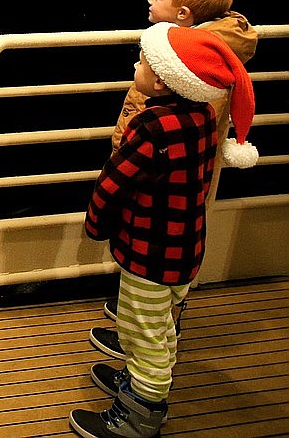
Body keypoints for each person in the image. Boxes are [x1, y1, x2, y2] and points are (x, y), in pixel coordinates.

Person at [69, 23, 258, 438]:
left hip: (148, 251)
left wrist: (96, 223)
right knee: (161, 325)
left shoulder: (153, 126)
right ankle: (137, 386)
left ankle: (141, 413)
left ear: (160, 79)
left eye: (141, 61)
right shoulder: (203, 117)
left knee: (143, 331)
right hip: (184, 247)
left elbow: (115, 181)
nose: (135, 65)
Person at [93, 0, 257, 360]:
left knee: (150, 293)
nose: (150, 1)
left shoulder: (182, 77)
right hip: (186, 200)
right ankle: (151, 325)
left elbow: (127, 176)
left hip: (156, 200)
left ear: (183, 15)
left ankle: (142, 370)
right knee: (164, 282)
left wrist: (99, 219)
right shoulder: (209, 58)